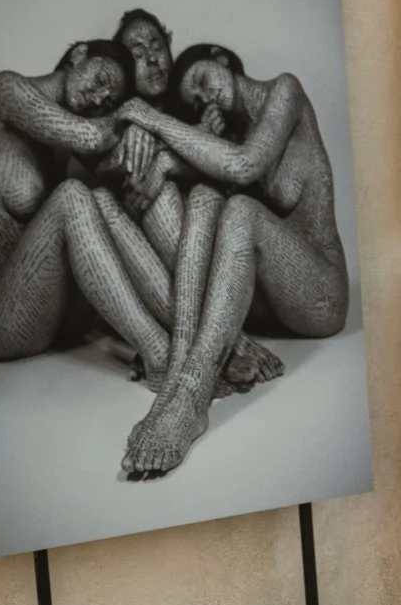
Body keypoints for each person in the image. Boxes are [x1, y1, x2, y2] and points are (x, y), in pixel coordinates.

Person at [105, 42, 351, 477]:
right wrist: (168, 161)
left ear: (221, 58)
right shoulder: (234, 132)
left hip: (320, 295)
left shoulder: (284, 92)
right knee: (204, 197)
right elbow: (213, 168)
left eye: (202, 80)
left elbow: (243, 166)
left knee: (240, 211)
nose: (207, 96)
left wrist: (151, 117)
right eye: (197, 99)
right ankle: (184, 362)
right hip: (269, 303)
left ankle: (191, 396)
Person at [0, 38, 175, 374]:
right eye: (102, 80)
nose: (99, 98)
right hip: (3, 321)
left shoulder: (81, 118)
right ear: (79, 54)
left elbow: (125, 164)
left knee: (102, 198)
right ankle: (158, 352)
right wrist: (133, 117)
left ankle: (192, 333)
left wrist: (142, 133)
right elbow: (92, 137)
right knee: (73, 195)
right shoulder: (7, 90)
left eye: (109, 99)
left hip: (62, 319)